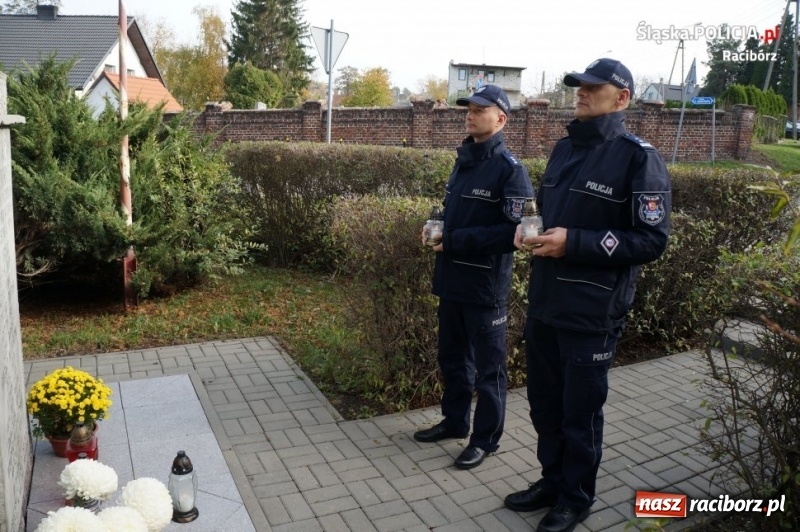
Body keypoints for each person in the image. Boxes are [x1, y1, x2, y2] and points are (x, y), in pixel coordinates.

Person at [504, 58, 671, 532]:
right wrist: (529, 232)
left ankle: (575, 498)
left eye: (593, 88)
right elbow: (548, 215)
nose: (581, 92)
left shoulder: (639, 157)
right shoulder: (562, 150)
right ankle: (550, 482)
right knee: (544, 404)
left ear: (621, 98)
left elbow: (651, 240)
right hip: (547, 303)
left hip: (593, 311)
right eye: (578, 85)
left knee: (580, 414)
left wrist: (572, 242)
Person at [414, 84, 534, 470]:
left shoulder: (510, 171)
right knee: (452, 358)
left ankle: (485, 439)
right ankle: (454, 422)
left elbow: (515, 235)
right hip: (452, 281)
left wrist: (453, 240)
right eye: (468, 107)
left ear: (501, 118)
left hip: (485, 287)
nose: (470, 113)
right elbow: (455, 217)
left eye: (480, 109)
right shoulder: (464, 160)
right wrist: (436, 229)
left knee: (488, 369)